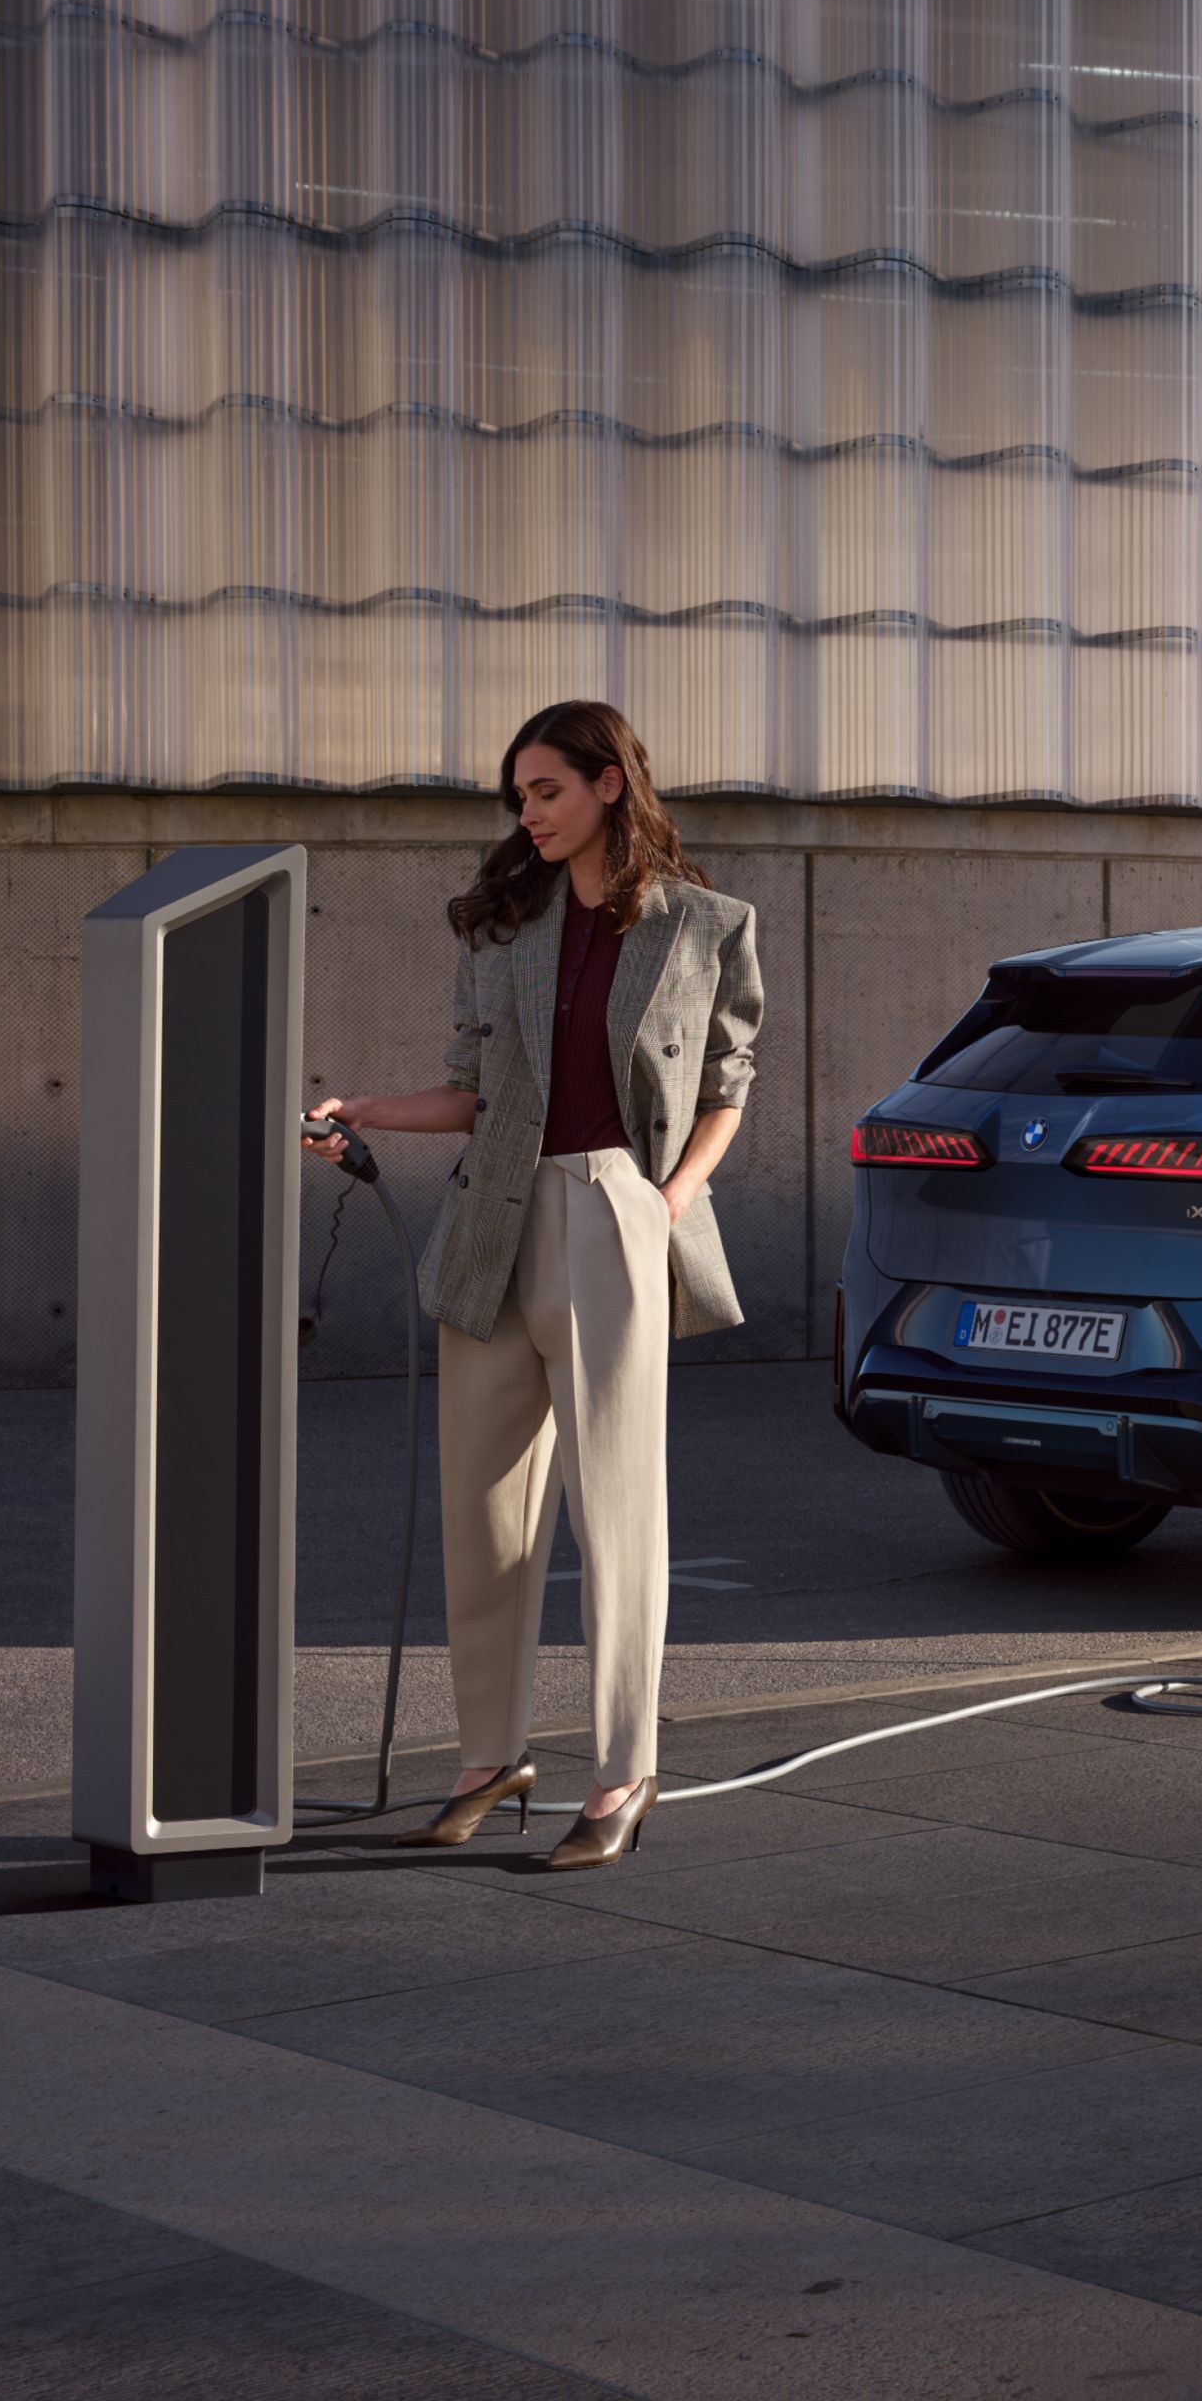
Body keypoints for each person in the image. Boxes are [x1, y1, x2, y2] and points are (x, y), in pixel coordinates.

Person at [304, 701, 762, 1869]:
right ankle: (489, 1754)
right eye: (519, 795)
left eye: (546, 789)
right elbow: (473, 1091)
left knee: (616, 1510)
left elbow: (726, 1083)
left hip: (617, 1212)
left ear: (611, 784)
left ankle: (622, 1769)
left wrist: (668, 1201)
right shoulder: (503, 927)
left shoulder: (704, 924)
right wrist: (363, 1111)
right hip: (492, 1221)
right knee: (487, 1517)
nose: (528, 813)